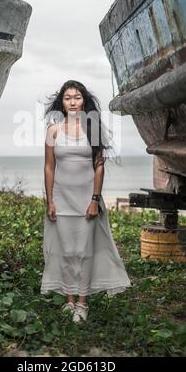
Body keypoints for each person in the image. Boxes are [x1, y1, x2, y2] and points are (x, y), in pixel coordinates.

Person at [40, 80, 131, 323]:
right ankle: (69, 301)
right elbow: (49, 167)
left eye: (77, 97)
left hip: (86, 199)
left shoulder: (93, 128)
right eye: (68, 97)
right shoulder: (53, 130)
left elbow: (99, 167)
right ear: (62, 101)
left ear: (84, 100)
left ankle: (82, 303)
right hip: (61, 198)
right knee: (67, 251)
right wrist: (50, 200)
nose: (72, 102)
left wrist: (95, 200)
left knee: (85, 252)